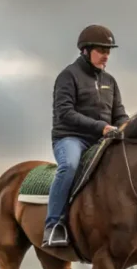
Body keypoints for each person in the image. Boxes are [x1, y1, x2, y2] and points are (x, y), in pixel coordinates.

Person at [43, 24, 129, 248]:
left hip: (102, 139)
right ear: (86, 50)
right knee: (70, 166)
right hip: (71, 138)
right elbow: (65, 113)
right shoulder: (68, 76)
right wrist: (101, 127)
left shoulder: (110, 81)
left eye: (108, 52)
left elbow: (119, 113)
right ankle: (53, 225)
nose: (106, 56)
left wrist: (127, 126)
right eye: (102, 51)